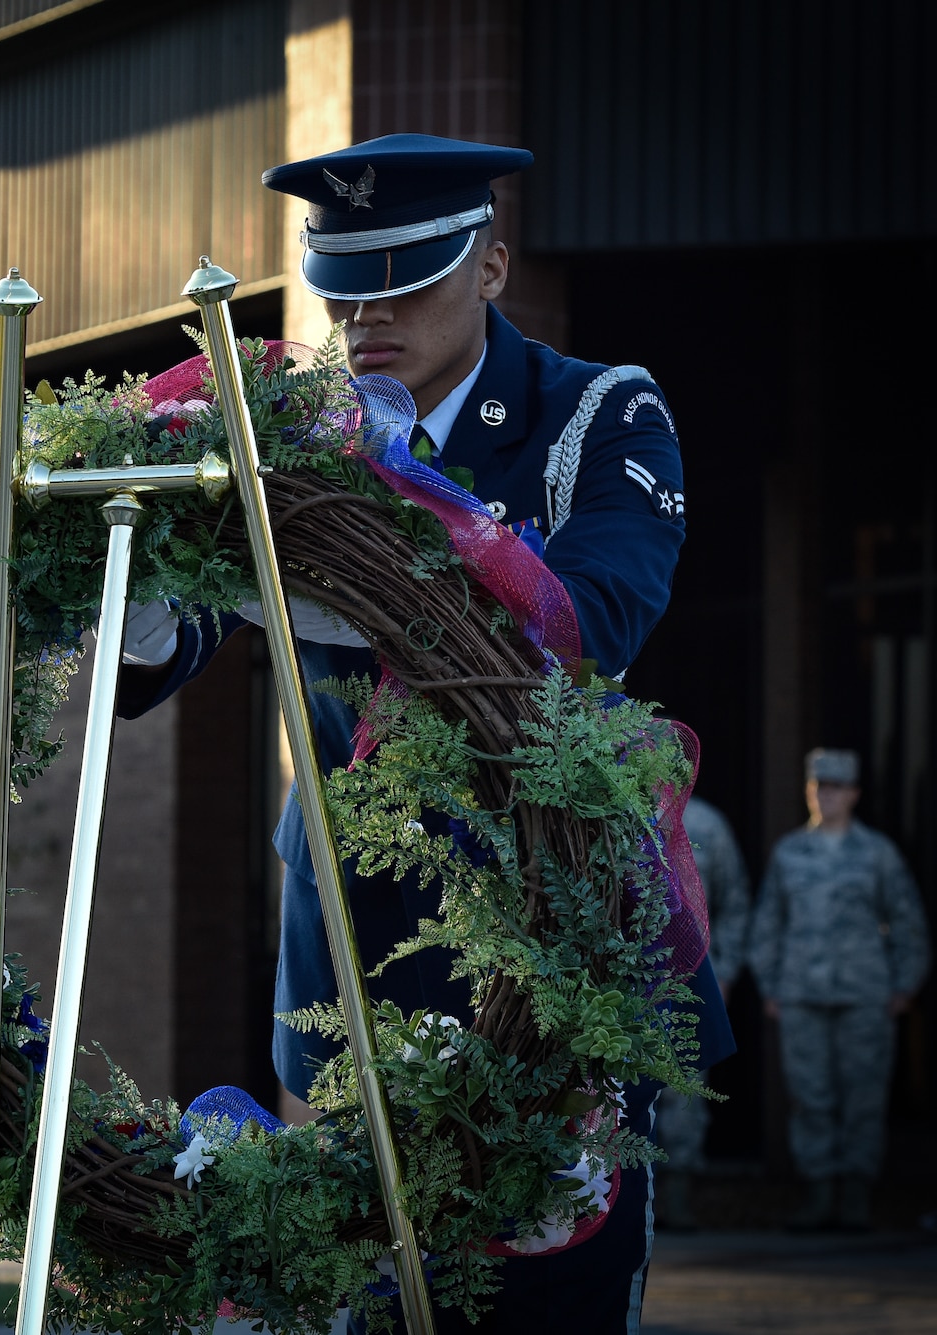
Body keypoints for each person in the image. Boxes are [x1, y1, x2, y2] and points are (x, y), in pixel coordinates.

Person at [118, 133, 735, 1332]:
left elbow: (586, 621)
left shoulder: (596, 411)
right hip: (351, 922)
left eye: (405, 277)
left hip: (548, 917)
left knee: (545, 1296)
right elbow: (165, 651)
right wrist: (139, 587)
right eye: (343, 287)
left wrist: (337, 574)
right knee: (352, 1288)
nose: (366, 316)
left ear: (491, 266)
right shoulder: (290, 442)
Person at [749, 747, 928, 1232]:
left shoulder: (877, 853)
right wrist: (770, 983)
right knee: (810, 1096)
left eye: (835, 788)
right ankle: (819, 1195)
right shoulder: (790, 852)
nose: (826, 796)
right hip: (802, 992)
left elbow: (908, 920)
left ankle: (855, 1198)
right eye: (818, 787)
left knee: (864, 1096)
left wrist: (905, 986)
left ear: (853, 794)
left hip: (865, 994)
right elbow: (768, 923)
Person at [653, 797, 752, 1230]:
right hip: (629, 980)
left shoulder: (709, 824)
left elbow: (735, 903)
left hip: (691, 978)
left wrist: (724, 973)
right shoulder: (609, 810)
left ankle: (677, 1199)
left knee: (686, 1089)